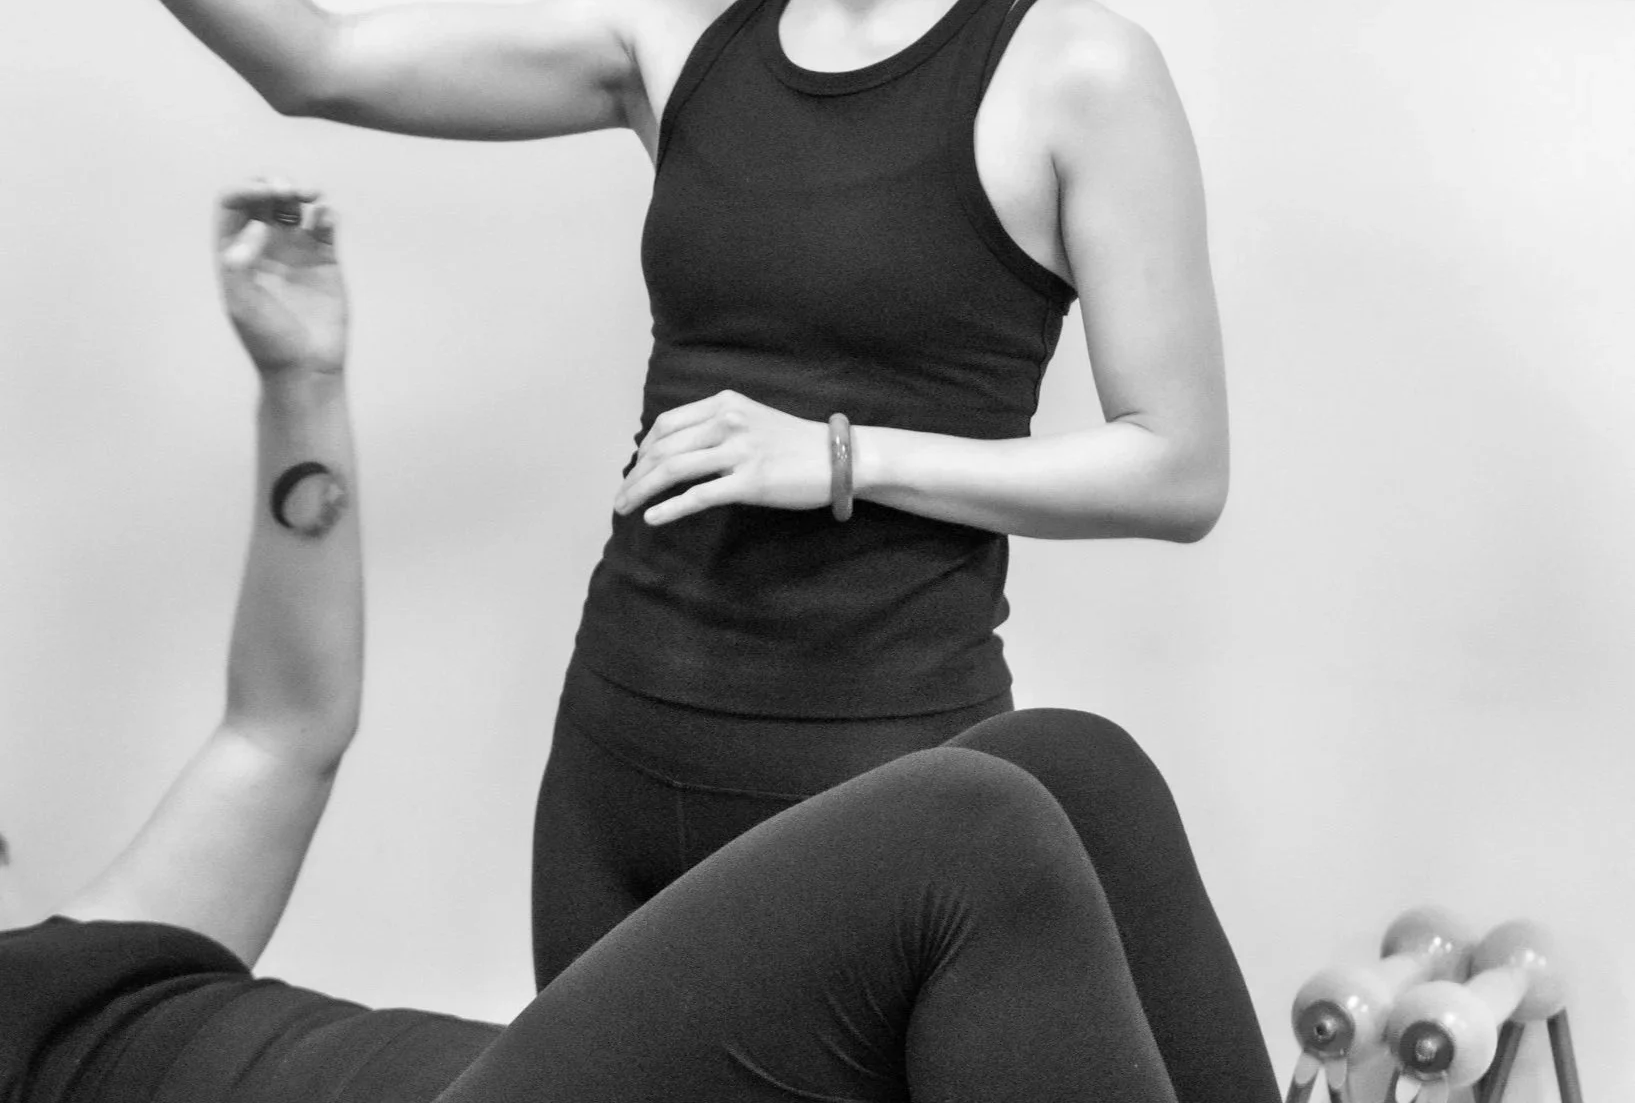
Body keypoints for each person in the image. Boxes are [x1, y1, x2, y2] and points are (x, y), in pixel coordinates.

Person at [0, 0, 1237, 1034]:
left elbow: (1174, 470)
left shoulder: (1077, 71)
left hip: (874, 772)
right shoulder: (669, 39)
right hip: (616, 752)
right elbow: (311, 60)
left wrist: (840, 460)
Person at [1, 184, 1277, 1102]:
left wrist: (301, 382)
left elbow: (284, 726)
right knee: (970, 834)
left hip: (520, 1070)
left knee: (1073, 766)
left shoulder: (79, 945)